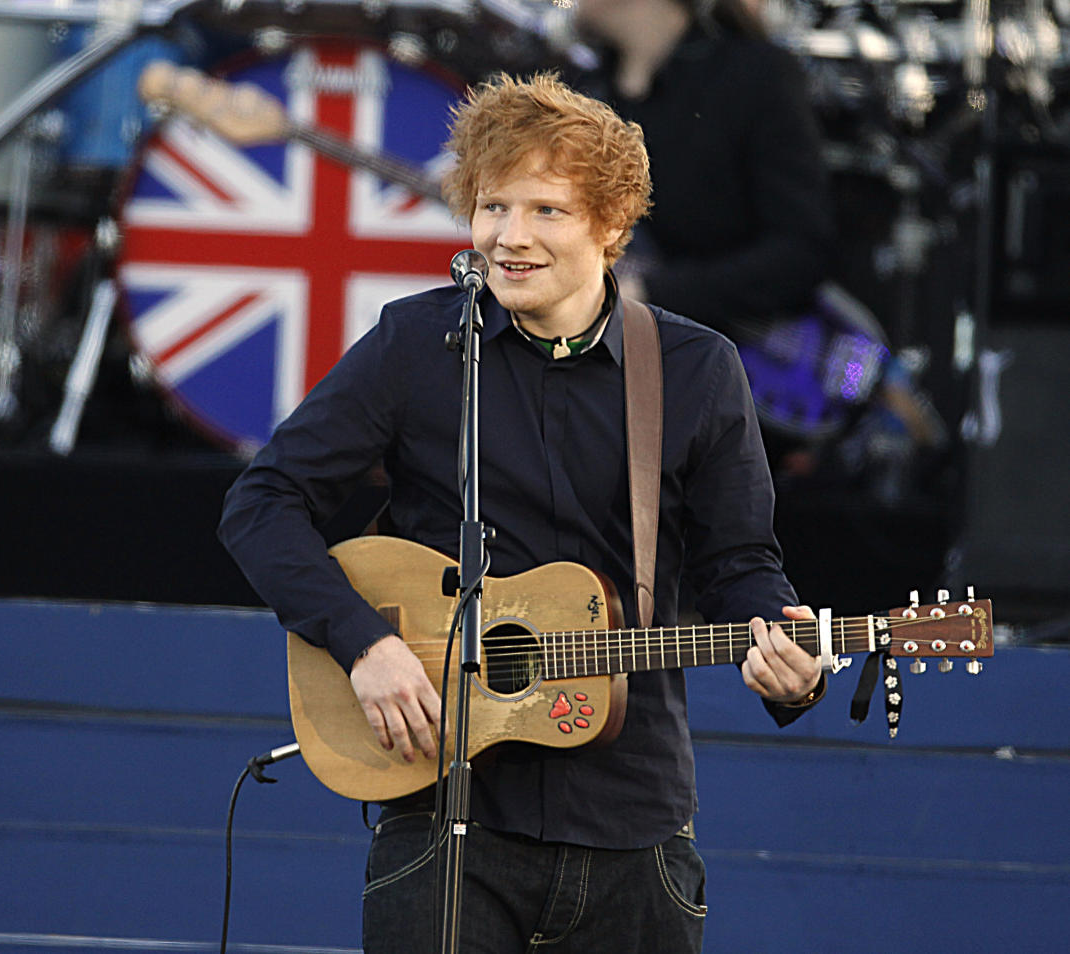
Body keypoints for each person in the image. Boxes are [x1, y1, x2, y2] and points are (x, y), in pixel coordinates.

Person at [218, 74, 824, 954]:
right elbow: (262, 502)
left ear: (611, 226)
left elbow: (741, 564)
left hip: (633, 828)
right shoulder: (418, 346)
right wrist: (363, 641)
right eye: (492, 206)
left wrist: (789, 659)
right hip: (442, 817)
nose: (509, 236)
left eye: (546, 210)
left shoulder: (694, 369)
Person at [570, 0, 835, 333]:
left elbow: (800, 252)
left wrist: (653, 291)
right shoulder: (580, 93)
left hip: (731, 355)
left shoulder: (755, 76)